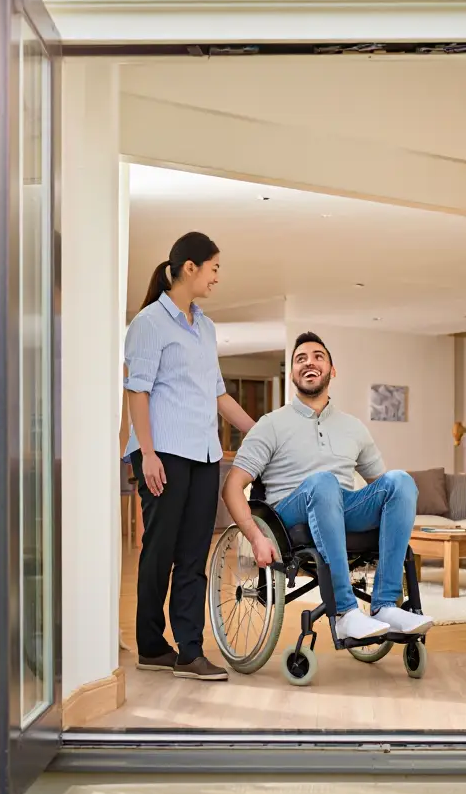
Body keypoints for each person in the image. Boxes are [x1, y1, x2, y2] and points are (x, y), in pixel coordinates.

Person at [223, 332, 433, 641]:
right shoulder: (271, 423)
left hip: (343, 508)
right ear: (293, 373)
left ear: (332, 371)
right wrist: (255, 538)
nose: (309, 362)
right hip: (291, 516)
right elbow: (232, 486)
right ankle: (346, 612)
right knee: (324, 482)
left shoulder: (353, 427)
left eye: (318, 357)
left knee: (400, 481)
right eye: (300, 359)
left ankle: (385, 605)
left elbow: (385, 491)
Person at [123, 232, 255, 680]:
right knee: (159, 551)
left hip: (203, 456)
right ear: (190, 268)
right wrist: (148, 453)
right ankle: (150, 645)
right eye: (214, 267)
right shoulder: (149, 322)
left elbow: (217, 393)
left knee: (194, 553)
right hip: (162, 454)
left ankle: (189, 650)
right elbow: (137, 391)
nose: (218, 276)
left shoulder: (207, 326)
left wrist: (260, 432)